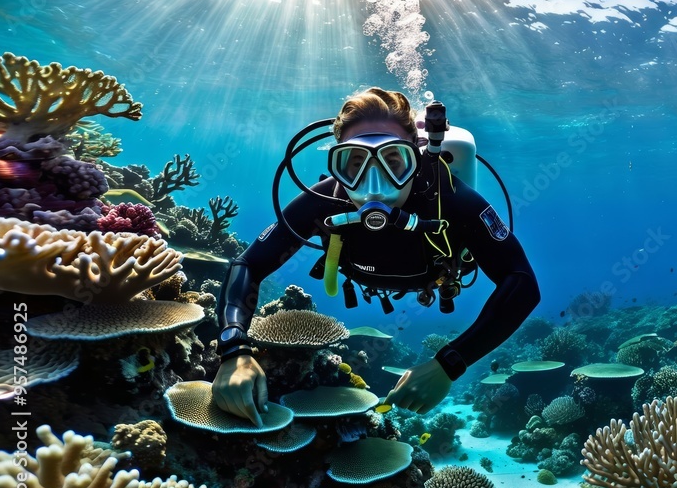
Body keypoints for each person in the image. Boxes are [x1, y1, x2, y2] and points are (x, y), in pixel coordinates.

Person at [212, 87, 540, 426]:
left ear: (416, 157)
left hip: (437, 274)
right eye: (355, 163)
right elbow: (249, 264)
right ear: (338, 165)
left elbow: (523, 283)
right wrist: (234, 349)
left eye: (393, 161)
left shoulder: (450, 198)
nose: (374, 186)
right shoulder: (324, 201)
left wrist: (450, 363)